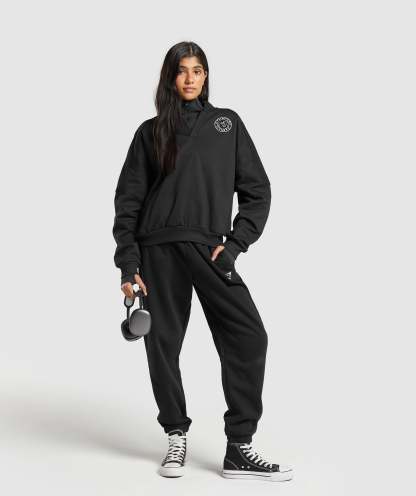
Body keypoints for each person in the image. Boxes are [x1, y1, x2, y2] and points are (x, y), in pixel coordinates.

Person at [112, 41, 293, 482]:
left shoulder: (226, 124)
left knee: (249, 335)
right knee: (163, 344)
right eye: (182, 71)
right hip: (157, 250)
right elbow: (128, 203)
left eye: (198, 70)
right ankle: (176, 433)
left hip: (210, 248)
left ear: (206, 76)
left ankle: (239, 447)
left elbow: (257, 191)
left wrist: (234, 245)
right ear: (170, 78)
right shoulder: (150, 132)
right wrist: (129, 265)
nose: (190, 78)